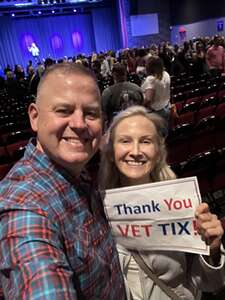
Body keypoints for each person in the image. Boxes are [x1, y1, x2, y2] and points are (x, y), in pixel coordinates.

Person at [0, 63, 127, 299]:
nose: (79, 124)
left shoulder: (81, 173)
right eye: (63, 110)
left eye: (90, 113)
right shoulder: (24, 207)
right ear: (34, 117)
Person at [99, 105, 225, 300]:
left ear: (158, 151)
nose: (135, 151)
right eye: (125, 141)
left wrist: (213, 250)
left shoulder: (181, 201)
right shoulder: (95, 207)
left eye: (145, 141)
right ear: (111, 152)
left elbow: (210, 284)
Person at [102, 62, 144, 127]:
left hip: (116, 127)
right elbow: (142, 106)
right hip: (136, 124)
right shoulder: (137, 88)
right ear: (126, 73)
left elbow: (104, 114)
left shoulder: (107, 92)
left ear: (113, 74)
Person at [141, 56, 171, 128]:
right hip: (166, 107)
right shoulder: (166, 74)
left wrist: (139, 105)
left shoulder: (151, 79)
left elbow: (148, 99)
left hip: (156, 112)